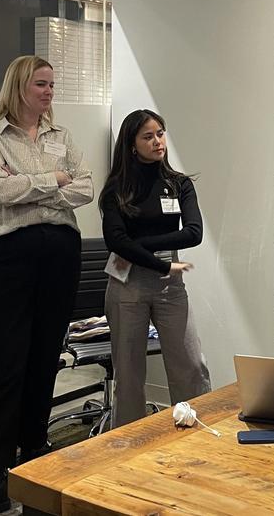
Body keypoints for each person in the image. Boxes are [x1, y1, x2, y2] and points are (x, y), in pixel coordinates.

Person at [0, 56, 94, 516]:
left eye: (52, 84)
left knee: (45, 358)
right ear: (18, 86)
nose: (49, 92)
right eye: (41, 84)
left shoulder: (61, 135)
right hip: (7, 255)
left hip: (60, 252)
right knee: (6, 364)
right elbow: (0, 191)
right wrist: (55, 179)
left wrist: (30, 183)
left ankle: (34, 455)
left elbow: (86, 188)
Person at [99, 109, 211, 428]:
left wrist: (140, 244)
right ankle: (130, 445)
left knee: (191, 366)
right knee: (129, 376)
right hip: (127, 282)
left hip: (168, 284)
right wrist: (160, 261)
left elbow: (194, 232)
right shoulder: (117, 188)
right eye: (148, 137)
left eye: (160, 134)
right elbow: (115, 242)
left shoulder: (179, 183)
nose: (157, 141)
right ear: (132, 145)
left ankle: (195, 437)